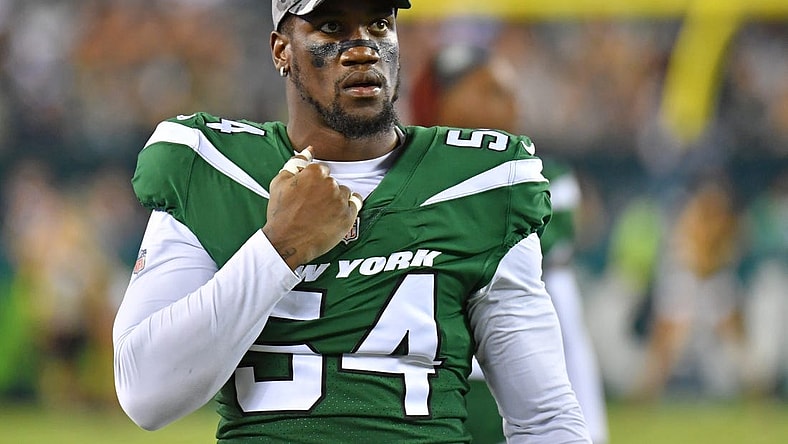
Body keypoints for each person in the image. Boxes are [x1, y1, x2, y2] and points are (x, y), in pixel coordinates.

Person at [112, 1, 591, 442]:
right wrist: (278, 248)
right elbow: (146, 395)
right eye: (333, 27)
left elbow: (544, 418)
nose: (362, 48)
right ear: (282, 50)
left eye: (379, 23)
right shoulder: (214, 167)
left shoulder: (479, 185)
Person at [409, 44, 608, 443]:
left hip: (535, 372)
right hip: (436, 377)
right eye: (491, 91)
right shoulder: (400, 179)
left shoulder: (543, 175)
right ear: (443, 102)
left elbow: (521, 237)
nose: (513, 104)